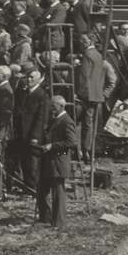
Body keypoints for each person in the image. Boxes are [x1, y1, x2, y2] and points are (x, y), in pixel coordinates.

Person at [36, 95, 77, 229]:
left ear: (61, 106)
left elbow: (71, 142)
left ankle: (59, 223)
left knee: (58, 193)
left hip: (58, 162)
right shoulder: (56, 119)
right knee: (42, 189)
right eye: (50, 106)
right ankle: (46, 217)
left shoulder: (66, 121)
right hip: (50, 161)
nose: (51, 109)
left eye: (53, 107)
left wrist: (52, 146)